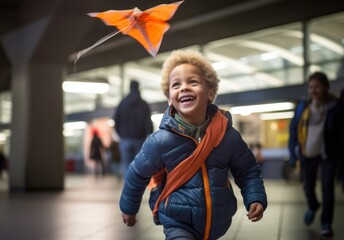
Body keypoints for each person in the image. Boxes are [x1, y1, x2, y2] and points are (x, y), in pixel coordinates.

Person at [119, 50, 267, 240]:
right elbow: (136, 174)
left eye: (193, 82)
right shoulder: (160, 141)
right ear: (169, 98)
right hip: (177, 220)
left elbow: (247, 170)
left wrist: (255, 196)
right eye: (176, 85)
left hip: (217, 220)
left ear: (210, 92)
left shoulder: (227, 136)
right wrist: (128, 207)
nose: (184, 88)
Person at [288, 71, 338, 236]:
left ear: (325, 87)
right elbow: (294, 129)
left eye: (317, 86)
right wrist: (294, 151)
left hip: (327, 154)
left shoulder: (335, 106)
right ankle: (313, 205)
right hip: (307, 153)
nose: (313, 90)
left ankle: (326, 223)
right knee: (308, 187)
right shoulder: (304, 106)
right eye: (310, 87)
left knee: (327, 188)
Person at [114, 80, 153, 177]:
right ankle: (138, 187)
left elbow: (116, 120)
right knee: (139, 164)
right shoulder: (143, 104)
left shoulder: (122, 103)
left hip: (125, 139)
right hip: (139, 139)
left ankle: (128, 187)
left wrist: (120, 134)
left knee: (126, 164)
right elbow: (148, 121)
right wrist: (149, 133)